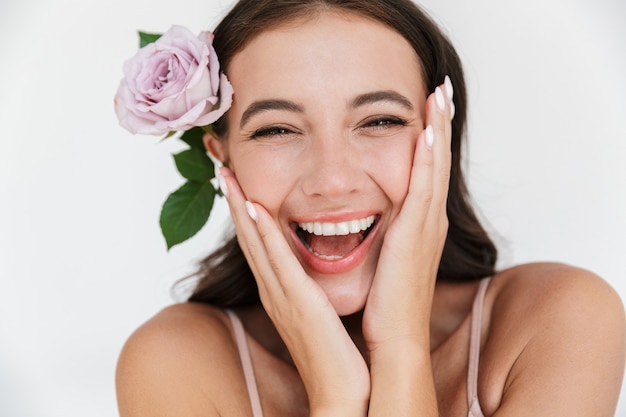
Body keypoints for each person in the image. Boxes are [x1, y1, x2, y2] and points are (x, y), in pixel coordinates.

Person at [114, 0, 626, 415]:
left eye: (379, 121)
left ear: (439, 133)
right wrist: (336, 396)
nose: (332, 181)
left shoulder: (559, 320)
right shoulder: (173, 363)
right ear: (221, 155)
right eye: (276, 129)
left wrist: (400, 345)